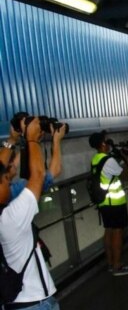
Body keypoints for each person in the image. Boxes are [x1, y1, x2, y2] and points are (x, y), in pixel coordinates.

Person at [0, 118, 60, 309]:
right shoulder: (9, 219)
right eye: (4, 180)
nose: (8, 181)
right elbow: (38, 176)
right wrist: (32, 139)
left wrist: (13, 139)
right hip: (32, 303)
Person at [88, 130, 128, 276]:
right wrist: (126, 158)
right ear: (103, 144)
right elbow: (126, 175)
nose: (109, 143)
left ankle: (110, 263)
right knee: (117, 232)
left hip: (104, 202)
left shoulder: (95, 159)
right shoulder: (108, 160)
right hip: (114, 203)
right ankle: (117, 266)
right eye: (107, 141)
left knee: (108, 231)